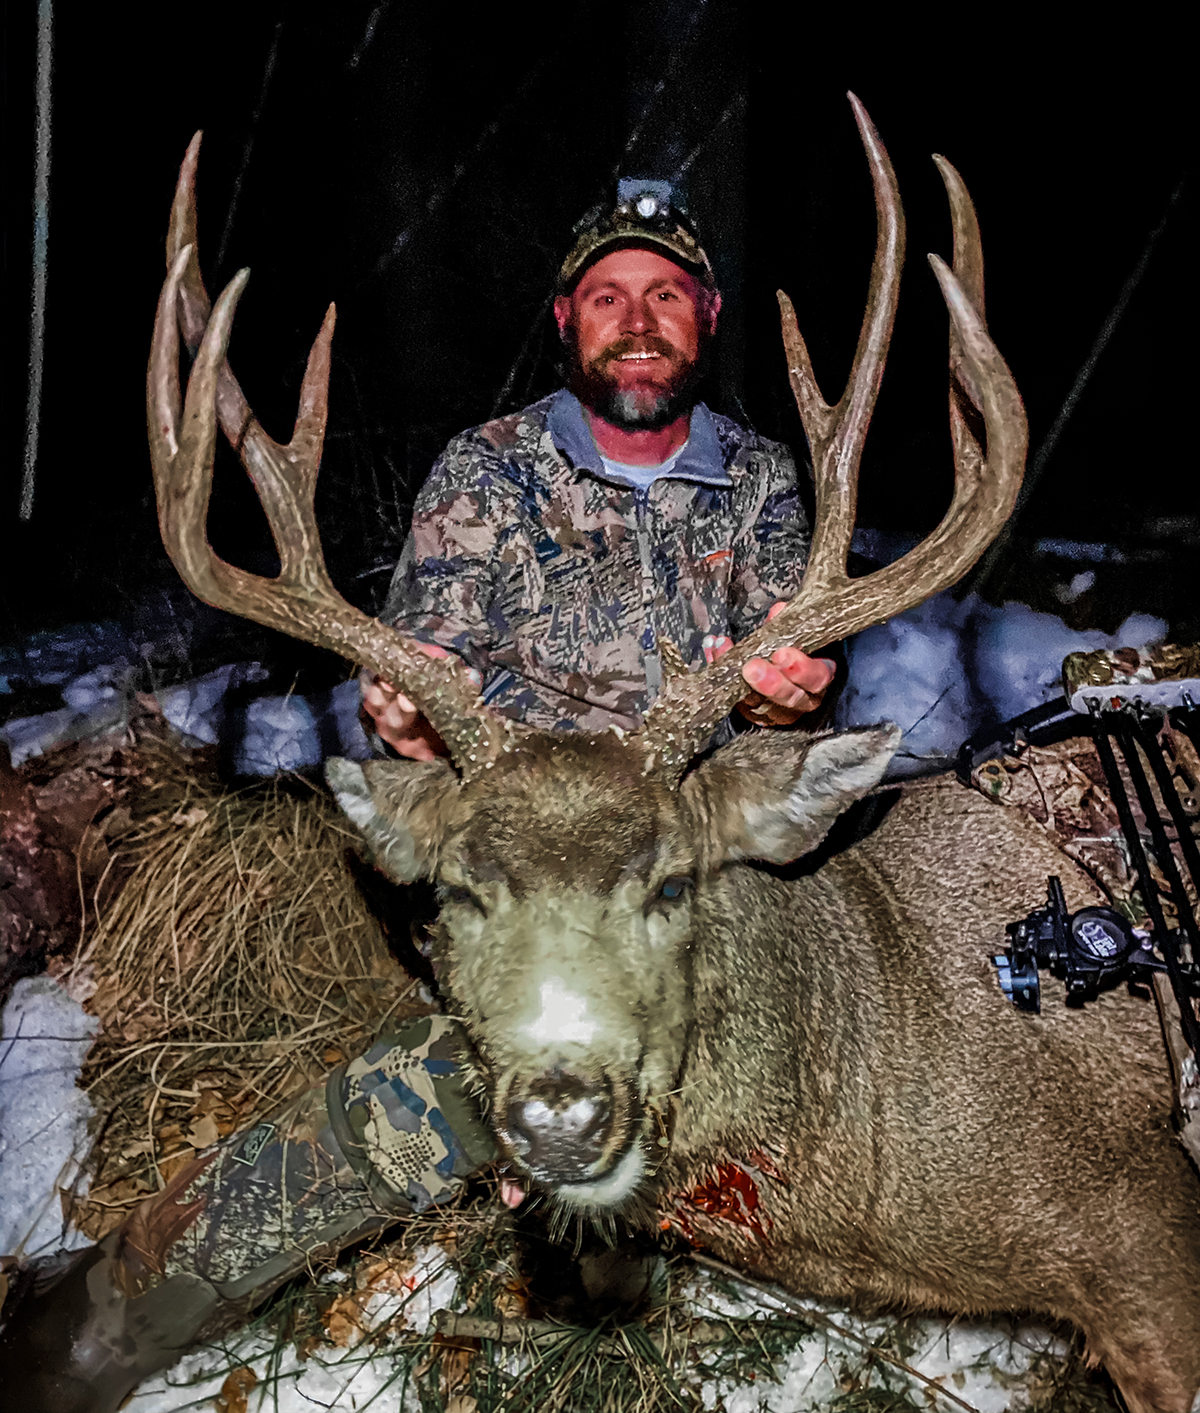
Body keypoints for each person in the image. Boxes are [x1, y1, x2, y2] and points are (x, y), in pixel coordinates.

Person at [362, 181, 836, 758]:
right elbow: (435, 628)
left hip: (696, 811)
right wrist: (416, 691)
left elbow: (779, 640)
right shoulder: (487, 466)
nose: (638, 323)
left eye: (666, 296)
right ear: (566, 319)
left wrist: (782, 689)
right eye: (607, 299)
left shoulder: (760, 473)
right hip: (532, 809)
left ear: (709, 312)